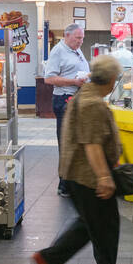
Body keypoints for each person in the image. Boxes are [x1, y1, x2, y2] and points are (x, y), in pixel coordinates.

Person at [32, 55, 133, 264]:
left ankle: (48, 260)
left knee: (90, 225)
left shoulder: (85, 95)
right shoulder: (93, 104)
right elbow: (92, 144)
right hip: (88, 176)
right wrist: (104, 177)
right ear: (111, 79)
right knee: (106, 229)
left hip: (78, 174)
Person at [44, 24, 90, 197]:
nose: (80, 41)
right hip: (64, 100)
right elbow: (49, 79)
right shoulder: (58, 51)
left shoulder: (76, 51)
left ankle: (74, 182)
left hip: (77, 99)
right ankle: (64, 185)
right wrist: (74, 82)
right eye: (78, 38)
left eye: (82, 38)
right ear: (67, 35)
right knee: (66, 142)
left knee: (76, 142)